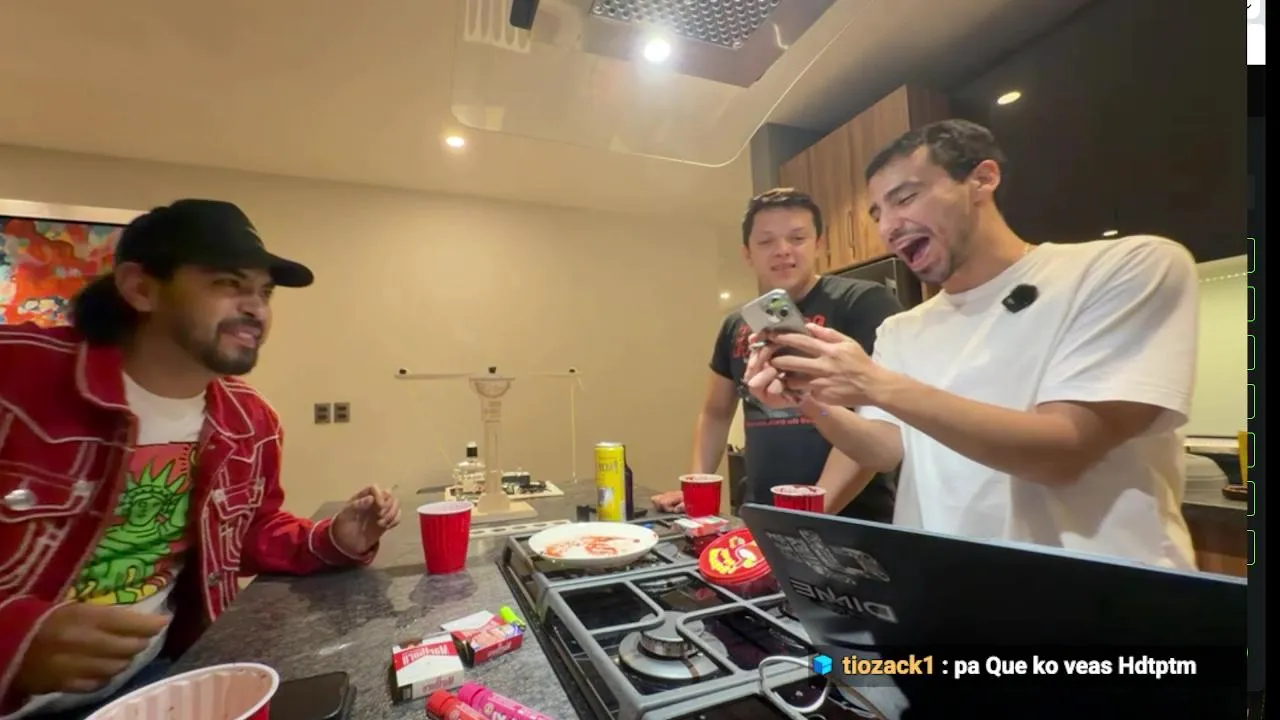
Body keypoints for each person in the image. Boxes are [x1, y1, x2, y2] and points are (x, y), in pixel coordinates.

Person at [0, 199, 402, 718]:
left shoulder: (250, 421)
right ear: (141, 288)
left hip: (160, 684)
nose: (256, 309)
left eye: (264, 292)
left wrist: (333, 539)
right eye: (228, 284)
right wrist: (15, 639)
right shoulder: (16, 375)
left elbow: (249, 532)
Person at [745, 119, 1199, 568]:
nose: (889, 228)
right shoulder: (902, 329)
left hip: (1099, 596)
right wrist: (808, 397)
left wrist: (873, 383)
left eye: (905, 198)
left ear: (982, 178)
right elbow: (884, 451)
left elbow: (1063, 454)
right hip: (948, 590)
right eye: (878, 214)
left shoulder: (1126, 268)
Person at [652, 188, 903, 520]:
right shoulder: (736, 325)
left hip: (852, 520)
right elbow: (715, 412)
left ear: (819, 243)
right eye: (766, 241)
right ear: (747, 253)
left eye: (797, 238)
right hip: (763, 513)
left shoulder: (862, 303)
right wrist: (696, 488)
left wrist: (812, 512)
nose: (783, 250)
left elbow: (876, 419)